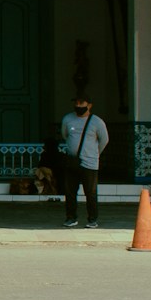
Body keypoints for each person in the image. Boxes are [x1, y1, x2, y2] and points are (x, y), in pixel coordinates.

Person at [59, 96, 111, 228]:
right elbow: (65, 135)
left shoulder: (97, 122)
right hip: (72, 161)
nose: (78, 105)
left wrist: (94, 153)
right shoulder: (67, 119)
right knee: (70, 192)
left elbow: (104, 140)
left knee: (91, 192)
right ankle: (71, 218)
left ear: (89, 105)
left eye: (82, 103)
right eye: (76, 103)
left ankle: (92, 219)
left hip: (90, 163)